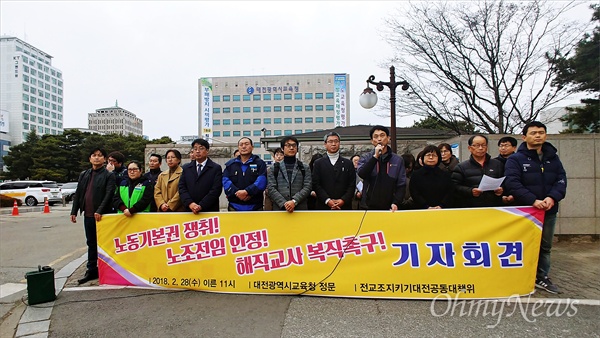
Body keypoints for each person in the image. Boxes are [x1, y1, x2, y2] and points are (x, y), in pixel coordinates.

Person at [504, 121, 567, 294]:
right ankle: (519, 276)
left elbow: (561, 180)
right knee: (521, 245)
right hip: (525, 211)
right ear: (524, 137)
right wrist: (533, 200)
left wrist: (552, 197)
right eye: (533, 133)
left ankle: (542, 277)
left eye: (541, 132)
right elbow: (512, 183)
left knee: (545, 246)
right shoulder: (515, 159)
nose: (538, 135)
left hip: (548, 209)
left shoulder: (553, 158)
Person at [70, 147, 116, 284]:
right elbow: (79, 193)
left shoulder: (109, 175)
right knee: (91, 243)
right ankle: (91, 270)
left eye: (100, 155)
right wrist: (74, 211)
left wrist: (100, 210)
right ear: (90, 158)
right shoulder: (84, 174)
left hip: (103, 216)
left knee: (105, 244)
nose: (97, 158)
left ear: (104, 159)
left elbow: (109, 194)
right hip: (88, 215)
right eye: (94, 155)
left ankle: (109, 270)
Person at [357, 125, 407, 211]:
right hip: (368, 206)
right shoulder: (366, 157)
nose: (379, 139)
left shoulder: (398, 160)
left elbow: (401, 184)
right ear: (372, 141)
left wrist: (396, 202)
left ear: (388, 138)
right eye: (376, 137)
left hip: (390, 207)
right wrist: (375, 157)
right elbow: (362, 174)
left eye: (382, 135)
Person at [451, 135, 505, 208]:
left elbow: (506, 181)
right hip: (471, 207)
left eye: (483, 145)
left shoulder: (497, 164)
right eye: (477, 145)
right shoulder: (461, 167)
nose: (480, 148)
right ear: (469, 148)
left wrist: (502, 189)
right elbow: (454, 186)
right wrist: (470, 191)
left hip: (495, 206)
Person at [311, 132, 356, 210]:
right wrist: (327, 200)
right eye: (330, 141)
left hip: (344, 206)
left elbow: (352, 184)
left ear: (339, 143)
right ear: (325, 144)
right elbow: (316, 184)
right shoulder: (318, 163)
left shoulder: (348, 163)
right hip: (323, 206)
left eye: (336, 141)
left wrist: (343, 200)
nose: (333, 144)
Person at [267, 136, 312, 212]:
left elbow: (307, 187)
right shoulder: (274, 168)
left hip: (300, 208)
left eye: (294, 145)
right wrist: (284, 203)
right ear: (282, 148)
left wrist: (294, 201)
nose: (291, 148)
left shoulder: (304, 167)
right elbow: (271, 188)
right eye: (288, 145)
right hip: (280, 209)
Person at [178, 138, 223, 213]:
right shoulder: (186, 168)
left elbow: (216, 190)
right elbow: (182, 188)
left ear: (207, 151)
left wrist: (201, 205)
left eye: (201, 148)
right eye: (195, 149)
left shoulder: (215, 168)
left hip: (209, 210)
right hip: (190, 210)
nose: (198, 151)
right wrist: (190, 203)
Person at [223, 137, 267, 211]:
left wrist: (247, 192)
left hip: (255, 207)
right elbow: (225, 181)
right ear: (238, 147)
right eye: (241, 144)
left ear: (252, 147)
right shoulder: (230, 165)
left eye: (246, 144)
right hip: (234, 206)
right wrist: (238, 193)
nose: (244, 146)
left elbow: (262, 181)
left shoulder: (260, 163)